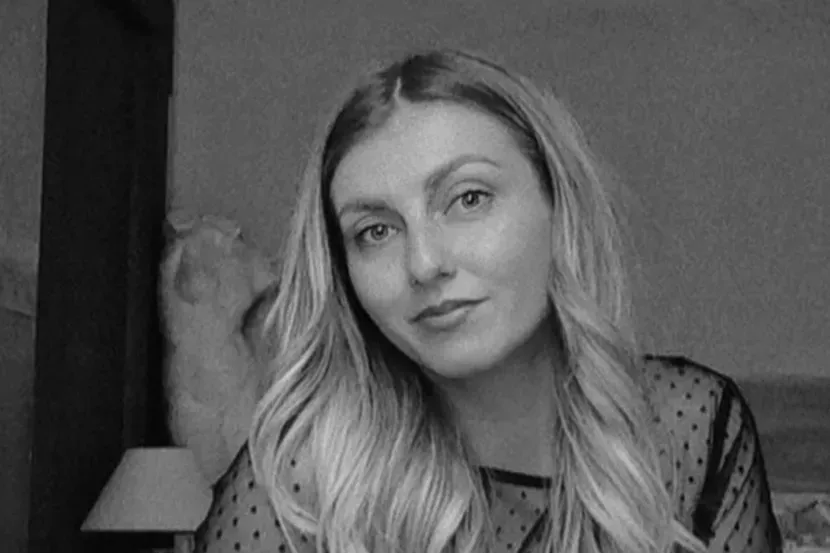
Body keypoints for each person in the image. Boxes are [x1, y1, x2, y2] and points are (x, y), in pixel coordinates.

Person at [194, 48, 782, 553]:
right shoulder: (296, 484)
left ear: (558, 207)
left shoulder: (689, 429)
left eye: (467, 199)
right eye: (375, 231)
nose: (424, 263)